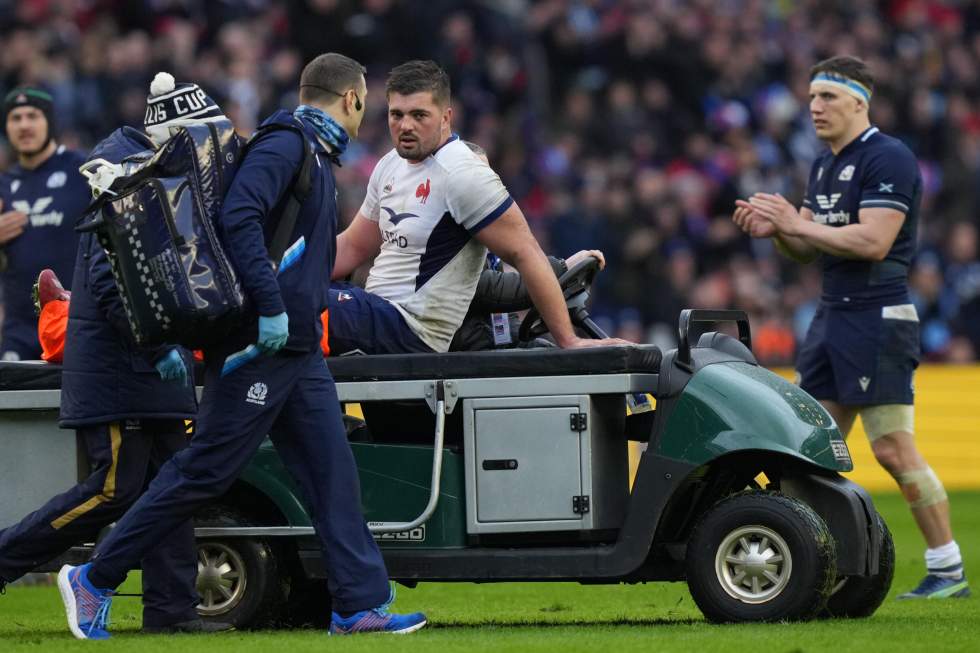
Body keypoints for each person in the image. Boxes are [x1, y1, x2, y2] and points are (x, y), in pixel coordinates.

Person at [56, 53, 426, 640]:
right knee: (204, 472)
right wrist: (273, 307)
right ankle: (94, 579)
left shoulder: (308, 151)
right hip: (260, 344)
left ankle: (359, 606)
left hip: (296, 350)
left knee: (333, 478)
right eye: (367, 105)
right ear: (353, 99)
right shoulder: (287, 144)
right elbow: (240, 218)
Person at [0, 74, 232, 635]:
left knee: (172, 488)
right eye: (202, 136)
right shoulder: (123, 176)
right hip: (119, 364)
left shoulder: (156, 173)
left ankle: (171, 612)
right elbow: (109, 280)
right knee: (113, 488)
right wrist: (156, 347)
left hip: (149, 366)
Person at [733, 55, 969, 599]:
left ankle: (948, 569)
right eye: (812, 97)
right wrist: (777, 230)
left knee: (891, 449)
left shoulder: (889, 157)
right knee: (805, 449)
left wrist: (797, 222)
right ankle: (823, 565)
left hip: (878, 317)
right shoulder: (824, 165)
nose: (814, 107)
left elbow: (873, 241)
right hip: (831, 317)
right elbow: (806, 247)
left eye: (827, 97)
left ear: (858, 102)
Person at [326, 60, 627, 356]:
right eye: (397, 114)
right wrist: (285, 267)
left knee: (300, 304)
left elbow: (525, 252)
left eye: (419, 115)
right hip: (378, 314)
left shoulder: (461, 172)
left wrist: (569, 340)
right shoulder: (389, 164)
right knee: (295, 293)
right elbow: (353, 245)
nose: (405, 125)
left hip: (411, 327)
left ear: (446, 117)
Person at [0, 87, 88, 360]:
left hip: (76, 321)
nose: (24, 125)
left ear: (50, 121)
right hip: (20, 329)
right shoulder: (3, 185)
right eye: (16, 118)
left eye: (32, 116)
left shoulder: (83, 171)